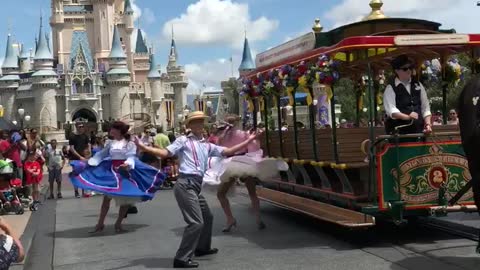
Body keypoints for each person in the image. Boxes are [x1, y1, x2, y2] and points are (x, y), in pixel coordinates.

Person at [135, 111, 261, 269]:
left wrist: (248, 140)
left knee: (207, 217)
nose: (199, 125)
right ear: (190, 126)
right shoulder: (183, 141)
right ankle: (181, 258)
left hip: (195, 186)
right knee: (195, 223)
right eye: (195, 122)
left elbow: (228, 152)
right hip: (185, 184)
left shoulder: (207, 145)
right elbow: (165, 153)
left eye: (201, 122)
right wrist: (143, 147)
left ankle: (202, 248)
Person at [70, 121, 164, 233]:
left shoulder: (129, 143)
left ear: (118, 130)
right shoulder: (111, 143)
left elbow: (131, 156)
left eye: (113, 128)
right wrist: (91, 162)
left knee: (125, 199)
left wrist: (127, 164)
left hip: (124, 171)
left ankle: (118, 224)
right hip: (111, 171)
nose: (110, 130)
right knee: (106, 199)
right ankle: (100, 223)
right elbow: (102, 154)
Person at [209, 115, 288, 232]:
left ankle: (230, 219)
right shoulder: (244, 134)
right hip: (244, 162)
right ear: (238, 123)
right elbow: (254, 148)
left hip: (229, 164)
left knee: (221, 194)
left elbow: (221, 152)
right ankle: (258, 218)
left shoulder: (221, 136)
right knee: (252, 192)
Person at [383, 54, 432, 134]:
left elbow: (425, 107)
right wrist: (407, 117)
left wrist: (428, 125)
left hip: (419, 132)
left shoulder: (418, 85)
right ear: (397, 71)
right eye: (405, 69)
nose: (409, 70)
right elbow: (392, 111)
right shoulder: (390, 88)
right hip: (400, 135)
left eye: (410, 68)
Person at [68, 122, 90, 198]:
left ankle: (84, 191)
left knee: (83, 175)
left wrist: (88, 154)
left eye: (82, 127)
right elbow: (72, 148)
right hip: (75, 158)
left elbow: (88, 146)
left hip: (84, 158)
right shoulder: (72, 136)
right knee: (76, 174)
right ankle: (76, 191)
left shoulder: (85, 136)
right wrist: (79, 156)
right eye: (80, 127)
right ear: (76, 127)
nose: (81, 128)